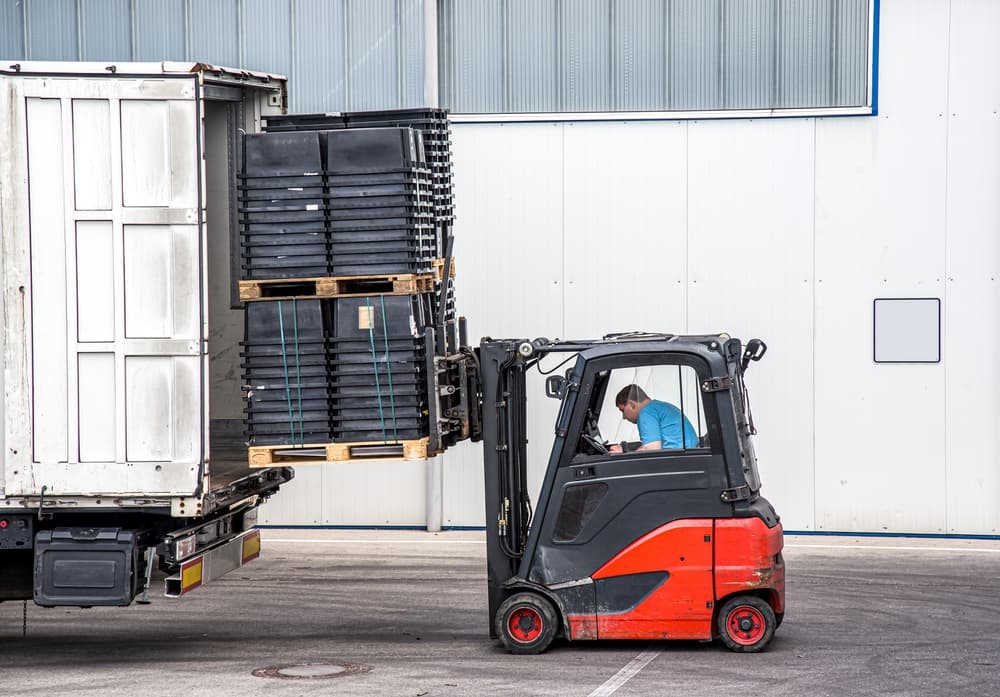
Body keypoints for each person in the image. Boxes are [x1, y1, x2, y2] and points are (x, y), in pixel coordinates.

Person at [608, 384, 698, 453]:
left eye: (622, 410)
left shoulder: (646, 412)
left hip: (675, 462)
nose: (624, 417)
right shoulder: (660, 407)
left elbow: (651, 448)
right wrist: (625, 448)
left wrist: (622, 455)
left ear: (632, 405)